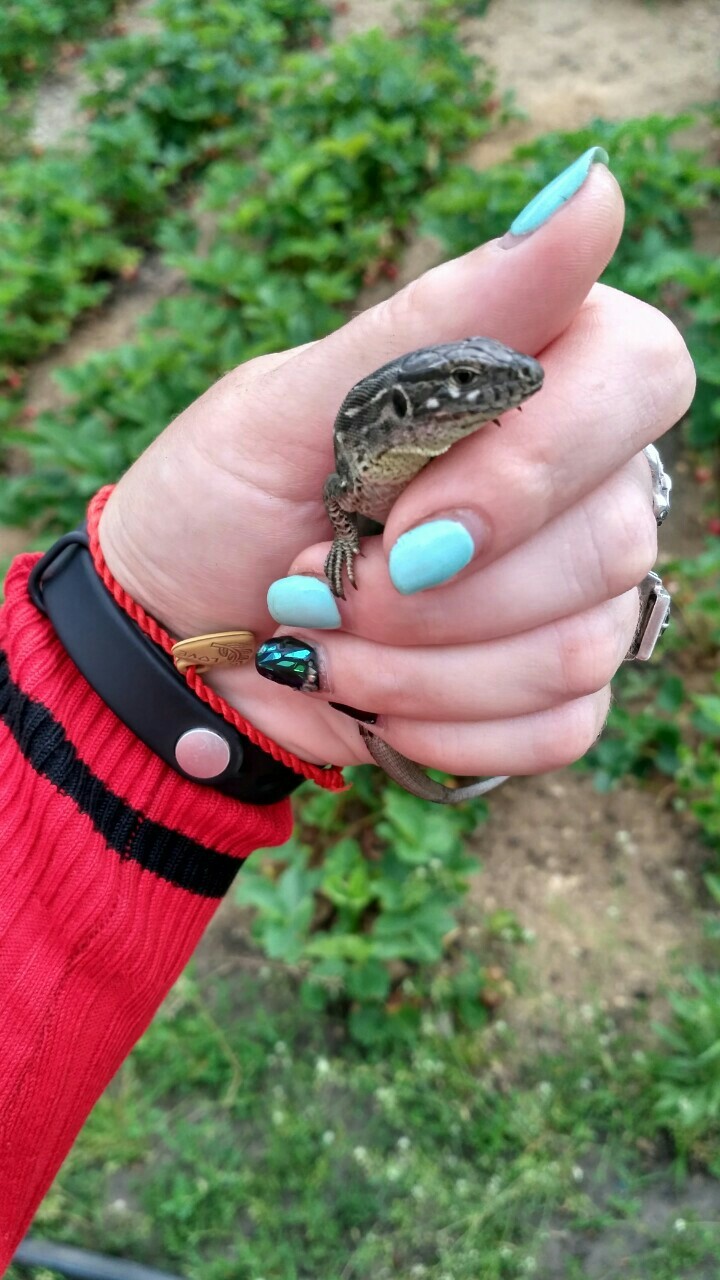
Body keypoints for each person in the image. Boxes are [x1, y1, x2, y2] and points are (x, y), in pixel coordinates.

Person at [0, 152, 695, 1266]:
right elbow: (354, 474)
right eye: (464, 395)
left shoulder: (415, 427)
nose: (494, 395)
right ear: (423, 406)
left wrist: (131, 654)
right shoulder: (358, 463)